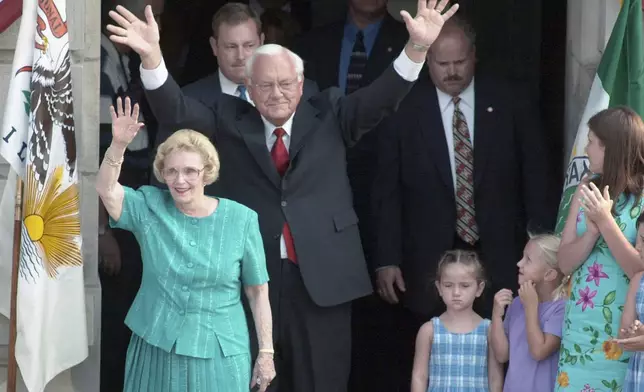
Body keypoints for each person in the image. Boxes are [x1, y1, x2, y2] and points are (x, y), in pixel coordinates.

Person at [105, 1, 459, 390]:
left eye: (285, 83)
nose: (276, 93)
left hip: (323, 284)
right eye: (266, 85)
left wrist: (418, 48)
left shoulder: (331, 112)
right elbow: (177, 110)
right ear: (250, 90)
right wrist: (152, 56)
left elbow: (382, 97)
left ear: (301, 84)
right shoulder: (227, 120)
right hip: (252, 284)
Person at [372, 14, 554, 389]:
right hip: (427, 256)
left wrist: (541, 248)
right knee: (431, 349)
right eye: (442, 63)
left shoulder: (510, 100)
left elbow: (535, 175)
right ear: (427, 62)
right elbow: (385, 188)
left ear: (474, 56)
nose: (452, 71)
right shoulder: (403, 107)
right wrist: (386, 258)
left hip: (502, 251)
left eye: (460, 61)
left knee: (501, 347)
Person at [96, 97, 275, 392]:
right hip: (155, 348)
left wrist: (266, 354)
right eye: (172, 171)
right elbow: (106, 189)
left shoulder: (241, 219)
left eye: (190, 171)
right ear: (162, 174)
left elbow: (257, 291)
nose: (181, 180)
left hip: (219, 353)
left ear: (206, 172)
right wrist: (118, 145)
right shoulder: (150, 207)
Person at [556, 106, 644, 391]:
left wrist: (606, 222)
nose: (586, 148)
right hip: (579, 329)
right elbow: (564, 263)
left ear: (611, 149)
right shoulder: (586, 188)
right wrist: (591, 232)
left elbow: (639, 270)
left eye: (592, 142)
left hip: (623, 330)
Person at [410, 250, 503, 392]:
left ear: (479, 288)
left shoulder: (489, 330)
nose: (456, 292)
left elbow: (495, 378)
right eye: (448, 285)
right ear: (439, 287)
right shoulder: (429, 330)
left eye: (465, 285)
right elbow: (419, 376)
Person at [489, 234, 566, 392]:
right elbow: (502, 355)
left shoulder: (561, 308)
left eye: (528, 259)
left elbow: (539, 351)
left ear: (549, 274)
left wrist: (531, 308)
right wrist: (496, 316)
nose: (519, 263)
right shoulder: (517, 303)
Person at [615, 213, 644, 392]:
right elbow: (624, 335)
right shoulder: (638, 281)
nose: (638, 247)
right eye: (638, 239)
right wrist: (634, 332)